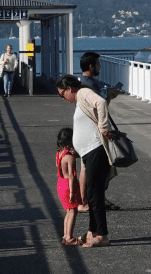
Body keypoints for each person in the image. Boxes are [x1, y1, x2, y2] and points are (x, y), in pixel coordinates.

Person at [57, 74, 114, 248]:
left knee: (94, 194)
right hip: (89, 153)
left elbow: (101, 103)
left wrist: (104, 128)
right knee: (91, 194)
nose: (63, 98)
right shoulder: (80, 98)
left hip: (95, 150)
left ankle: (102, 236)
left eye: (62, 94)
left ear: (69, 89)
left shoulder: (82, 93)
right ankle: (93, 231)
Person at [77, 52, 121, 210]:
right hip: (92, 130)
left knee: (91, 166)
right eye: (98, 63)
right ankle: (85, 201)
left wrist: (109, 96)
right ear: (91, 66)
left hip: (88, 128)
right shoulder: (89, 84)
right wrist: (104, 128)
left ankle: (94, 199)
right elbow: (100, 104)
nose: (100, 66)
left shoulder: (82, 82)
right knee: (90, 167)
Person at [55, 127, 83, 245]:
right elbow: (71, 175)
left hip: (60, 183)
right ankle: (70, 238)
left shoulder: (59, 153)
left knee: (68, 211)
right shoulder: (70, 157)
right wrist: (72, 192)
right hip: (68, 185)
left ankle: (65, 236)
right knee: (73, 212)